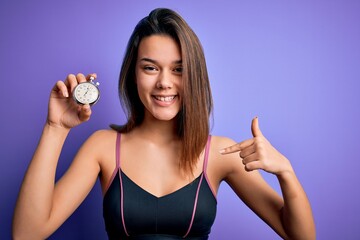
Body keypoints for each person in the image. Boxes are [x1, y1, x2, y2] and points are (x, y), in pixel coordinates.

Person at [12, 8, 315, 240]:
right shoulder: (103, 147)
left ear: (194, 76)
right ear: (134, 73)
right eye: (150, 68)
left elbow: (300, 235)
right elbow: (27, 234)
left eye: (179, 69)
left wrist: (286, 171)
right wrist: (56, 128)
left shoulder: (222, 153)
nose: (164, 83)